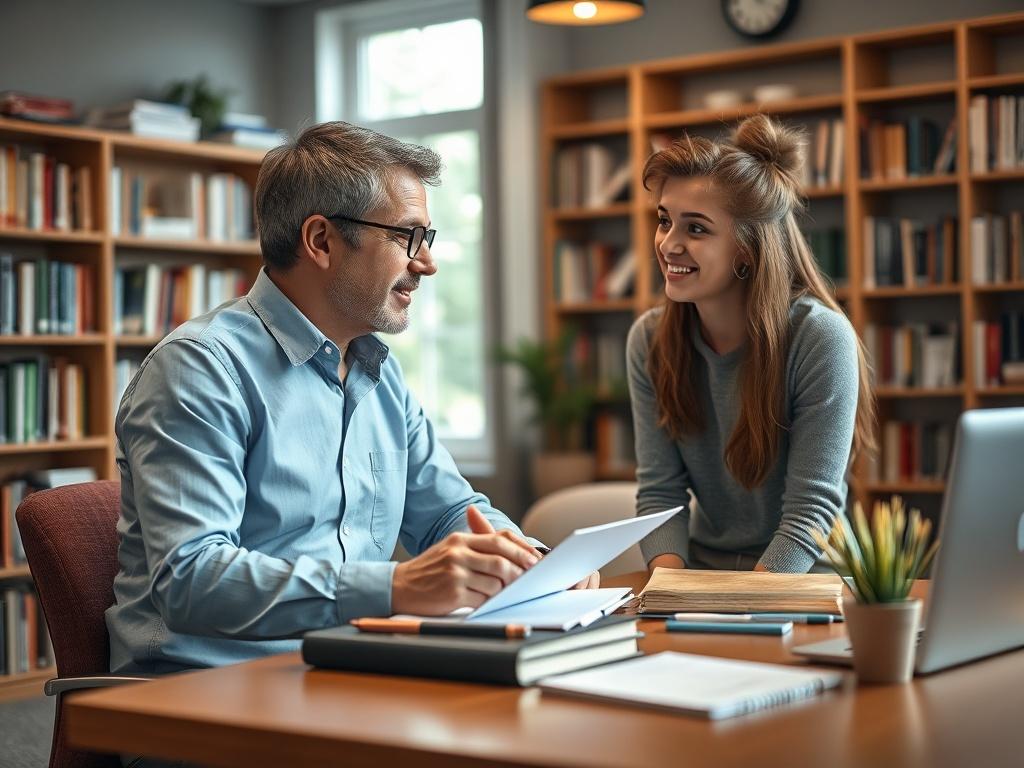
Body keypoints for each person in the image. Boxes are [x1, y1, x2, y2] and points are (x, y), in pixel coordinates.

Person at [107, 121, 597, 679]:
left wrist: (529, 560)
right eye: (406, 237)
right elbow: (191, 580)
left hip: (341, 669)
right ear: (321, 241)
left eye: (427, 240)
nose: (426, 263)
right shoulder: (199, 369)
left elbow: (447, 515)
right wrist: (398, 585)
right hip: (200, 691)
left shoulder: (381, 375)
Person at [629, 114, 875, 574]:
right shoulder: (648, 339)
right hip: (706, 572)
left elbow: (811, 513)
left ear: (747, 247)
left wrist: (743, 600)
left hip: (810, 575)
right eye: (665, 221)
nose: (668, 244)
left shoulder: (820, 337)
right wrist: (669, 590)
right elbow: (660, 494)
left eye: (696, 229)